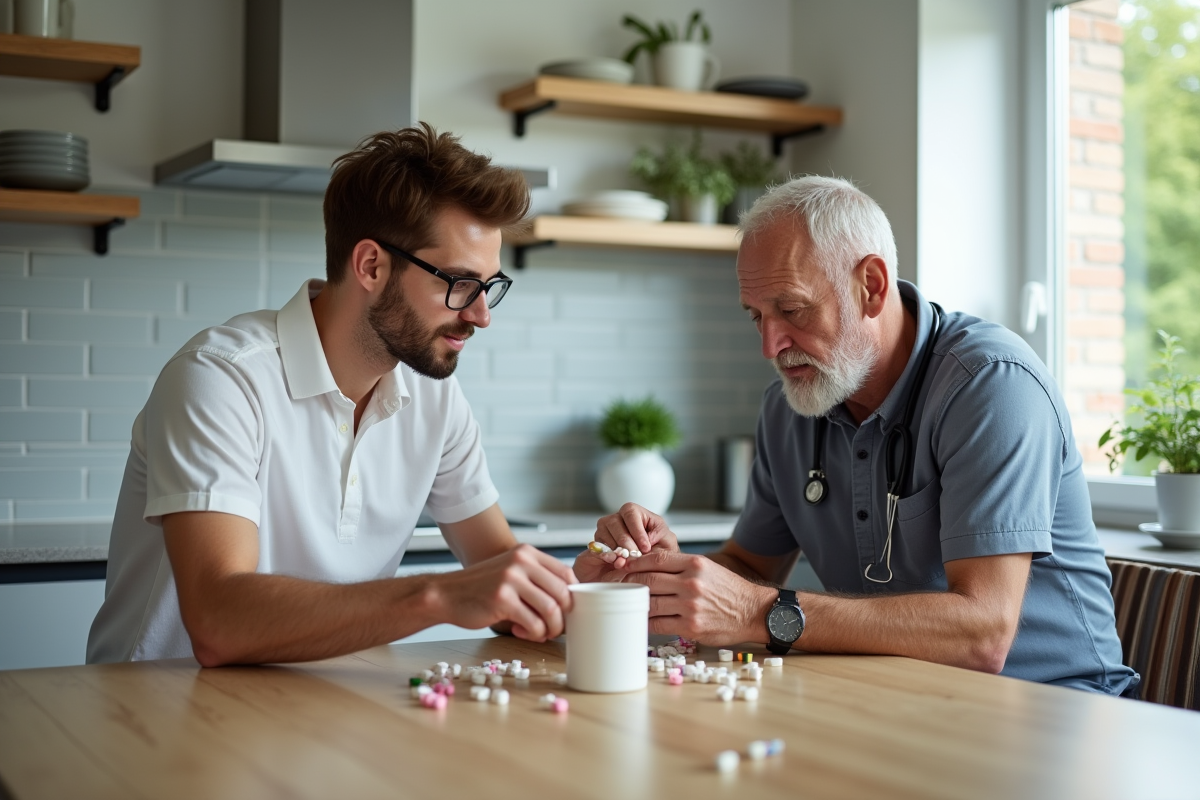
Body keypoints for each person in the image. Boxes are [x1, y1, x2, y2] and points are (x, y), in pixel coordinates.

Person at [576, 176, 1136, 694]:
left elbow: (981, 634)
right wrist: (666, 574)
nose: (770, 347)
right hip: (898, 700)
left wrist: (758, 612)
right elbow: (751, 567)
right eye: (756, 317)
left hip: (1053, 708)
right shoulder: (790, 406)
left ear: (871, 286)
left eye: (792, 309)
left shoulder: (990, 386)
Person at [87, 124, 576, 666]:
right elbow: (218, 621)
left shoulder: (435, 400)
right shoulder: (220, 379)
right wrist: (438, 595)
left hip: (325, 713)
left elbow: (502, 584)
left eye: (488, 288)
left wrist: (583, 590)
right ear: (370, 265)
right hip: (156, 718)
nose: (480, 315)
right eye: (458, 283)